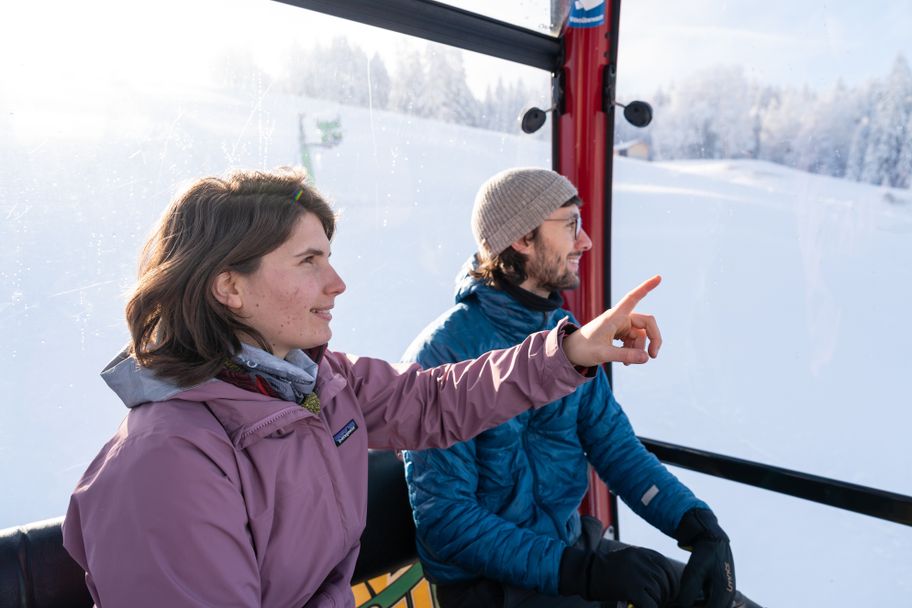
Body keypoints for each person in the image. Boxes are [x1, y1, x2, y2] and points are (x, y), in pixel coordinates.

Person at [62, 166, 666, 608]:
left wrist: (571, 351)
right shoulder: (168, 462)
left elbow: (435, 401)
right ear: (229, 287)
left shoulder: (316, 381)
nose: (338, 282)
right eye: (309, 262)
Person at [402, 168, 760, 608]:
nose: (586, 241)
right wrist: (585, 573)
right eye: (570, 223)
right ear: (522, 238)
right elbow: (446, 520)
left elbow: (615, 447)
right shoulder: (443, 354)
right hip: (492, 586)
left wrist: (695, 523)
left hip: (573, 553)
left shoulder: (565, 338)